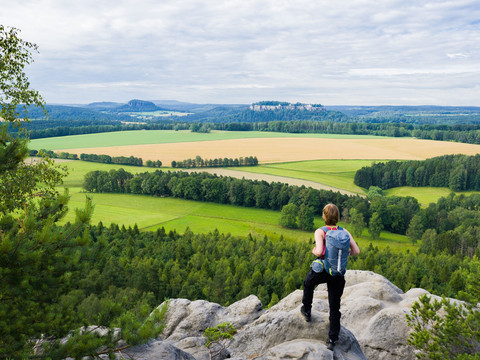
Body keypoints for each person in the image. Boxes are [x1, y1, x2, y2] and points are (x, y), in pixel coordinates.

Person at [300, 203, 360, 351]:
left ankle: (307, 310)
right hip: (338, 272)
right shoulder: (344, 231)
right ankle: (332, 339)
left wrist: (314, 250)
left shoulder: (320, 231)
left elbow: (320, 251)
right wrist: (344, 255)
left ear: (324, 216)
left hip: (322, 271)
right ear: (337, 217)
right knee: (335, 307)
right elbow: (356, 251)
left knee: (308, 283)